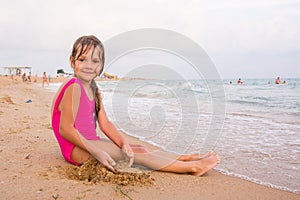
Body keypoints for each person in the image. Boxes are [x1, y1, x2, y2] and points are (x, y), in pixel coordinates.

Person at [51, 35, 220, 175]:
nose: (89, 66)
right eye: (82, 59)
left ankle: (183, 158)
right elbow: (65, 129)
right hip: (75, 149)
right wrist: (97, 151)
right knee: (139, 155)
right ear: (72, 62)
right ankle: (193, 167)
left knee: (138, 147)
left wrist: (123, 143)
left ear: (101, 64)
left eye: (95, 61)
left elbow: (105, 123)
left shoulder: (94, 88)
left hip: (89, 142)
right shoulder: (74, 87)